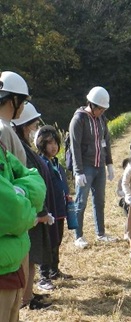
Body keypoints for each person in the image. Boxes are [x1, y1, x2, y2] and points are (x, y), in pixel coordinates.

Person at [12, 103, 55, 308]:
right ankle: (25, 298)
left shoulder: (21, 144)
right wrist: (40, 211)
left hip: (32, 209)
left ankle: (27, 294)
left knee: (31, 256)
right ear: (23, 125)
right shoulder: (18, 146)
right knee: (27, 257)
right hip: (28, 210)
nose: (34, 129)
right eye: (32, 124)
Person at [0, 138, 46, 321]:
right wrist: (26, 201)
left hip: (11, 266)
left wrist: (21, 192)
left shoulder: (2, 149)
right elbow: (16, 216)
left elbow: (36, 181)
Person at [68, 86, 116, 248]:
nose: (102, 111)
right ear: (92, 105)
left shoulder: (102, 120)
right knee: (80, 202)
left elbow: (106, 142)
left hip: (99, 166)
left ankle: (100, 233)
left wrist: (109, 163)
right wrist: (78, 171)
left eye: (104, 109)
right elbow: (74, 147)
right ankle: (78, 235)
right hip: (85, 167)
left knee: (99, 201)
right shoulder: (79, 119)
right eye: (100, 108)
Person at [34, 125, 73, 284]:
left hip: (59, 209)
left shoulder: (56, 162)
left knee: (57, 239)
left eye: (56, 142)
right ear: (41, 144)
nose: (54, 146)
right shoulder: (41, 163)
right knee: (47, 241)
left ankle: (54, 270)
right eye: (49, 143)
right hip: (48, 209)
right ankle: (44, 276)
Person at [0, 71, 30, 163]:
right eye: (24, 101)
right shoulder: (3, 130)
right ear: (15, 100)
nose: (23, 106)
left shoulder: (6, 128)